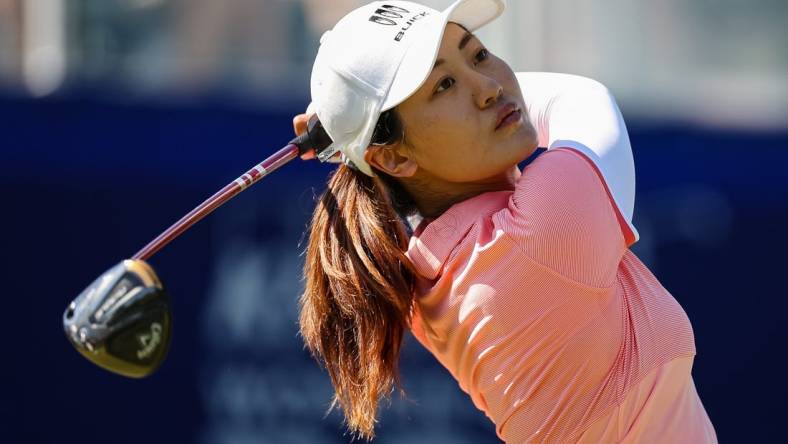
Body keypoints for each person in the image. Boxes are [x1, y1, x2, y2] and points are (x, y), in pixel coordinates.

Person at [293, 1, 718, 442]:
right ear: (395, 157)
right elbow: (581, 100)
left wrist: (352, 131)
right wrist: (346, 130)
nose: (488, 87)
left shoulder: (428, 269)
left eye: (477, 54)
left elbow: (388, 160)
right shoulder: (542, 232)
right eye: (444, 85)